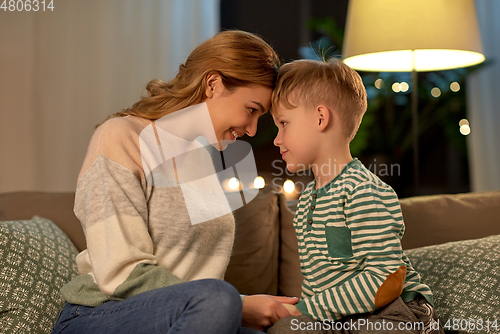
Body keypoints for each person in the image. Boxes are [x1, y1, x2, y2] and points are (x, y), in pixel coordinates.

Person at [51, 30, 300, 334]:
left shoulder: (201, 157)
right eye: (251, 110)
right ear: (213, 84)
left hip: (181, 315)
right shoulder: (121, 137)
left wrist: (239, 304)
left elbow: (193, 290)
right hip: (101, 315)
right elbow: (120, 273)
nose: (251, 129)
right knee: (219, 299)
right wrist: (237, 303)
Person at [267, 59, 444, 333]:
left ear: (320, 118)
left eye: (283, 124)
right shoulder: (306, 202)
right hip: (346, 315)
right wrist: (301, 314)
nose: (277, 139)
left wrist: (306, 311)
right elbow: (318, 286)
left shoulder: (363, 190)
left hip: (393, 311)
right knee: (286, 329)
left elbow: (387, 279)